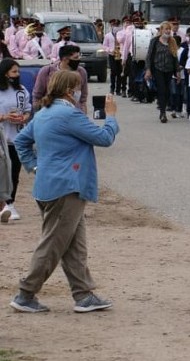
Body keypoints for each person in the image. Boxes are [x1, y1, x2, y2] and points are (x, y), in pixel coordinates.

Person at [10, 71, 119, 313]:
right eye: (78, 88)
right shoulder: (69, 114)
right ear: (70, 91)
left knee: (74, 245)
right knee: (53, 244)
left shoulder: (44, 113)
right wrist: (111, 117)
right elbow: (104, 138)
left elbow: (21, 142)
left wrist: (35, 166)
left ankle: (83, 295)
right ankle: (25, 294)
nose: (81, 93)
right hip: (66, 187)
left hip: (54, 186)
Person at [0, 59, 32, 222]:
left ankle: (10, 203)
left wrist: (23, 118)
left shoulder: (22, 91)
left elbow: (27, 110)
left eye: (18, 72)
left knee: (13, 173)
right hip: (1, 139)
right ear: (5, 73)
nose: (17, 75)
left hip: (16, 138)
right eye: (14, 72)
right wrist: (5, 117)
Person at [32, 45, 89, 113]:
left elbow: (83, 99)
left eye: (79, 56)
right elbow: (37, 96)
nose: (79, 59)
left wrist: (83, 114)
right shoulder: (46, 71)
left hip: (74, 113)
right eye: (76, 57)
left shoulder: (81, 72)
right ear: (65, 59)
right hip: (50, 113)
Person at [145, 21, 181, 124]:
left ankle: (164, 106)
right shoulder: (155, 41)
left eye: (169, 29)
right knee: (162, 90)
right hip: (157, 68)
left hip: (169, 69)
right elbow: (149, 56)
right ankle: (162, 113)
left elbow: (175, 57)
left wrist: (177, 71)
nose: (168, 31)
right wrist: (148, 70)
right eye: (166, 29)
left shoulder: (172, 41)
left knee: (167, 91)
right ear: (161, 30)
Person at [102, 18, 124, 95]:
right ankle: (112, 88)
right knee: (113, 71)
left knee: (119, 72)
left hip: (121, 55)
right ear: (111, 26)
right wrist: (111, 50)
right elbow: (104, 46)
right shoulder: (108, 35)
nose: (115, 26)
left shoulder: (122, 35)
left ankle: (118, 89)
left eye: (117, 25)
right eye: (113, 25)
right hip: (112, 55)